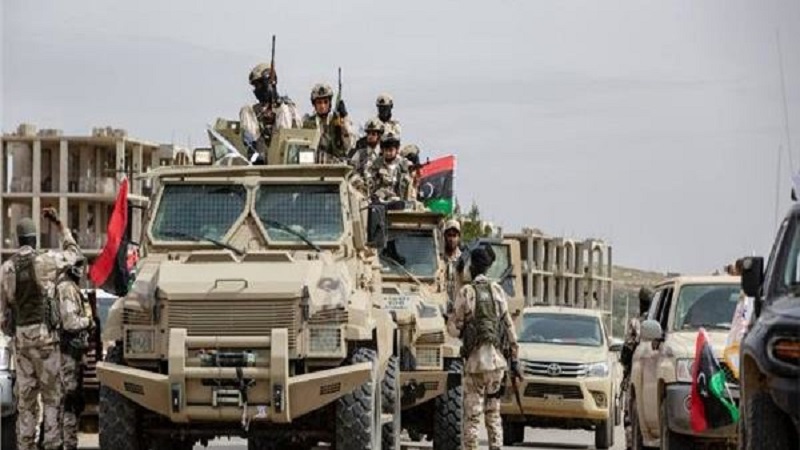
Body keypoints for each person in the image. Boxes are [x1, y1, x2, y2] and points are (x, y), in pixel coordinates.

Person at [0, 209, 83, 450]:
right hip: (46, 343)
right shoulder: (45, 261)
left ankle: (25, 445)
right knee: (52, 399)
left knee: (25, 403)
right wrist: (60, 226)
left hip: (22, 343)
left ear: (19, 240)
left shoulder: (6, 269)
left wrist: (15, 332)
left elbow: (3, 316)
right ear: (34, 239)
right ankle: (52, 444)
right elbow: (74, 254)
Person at [447, 246, 520, 450]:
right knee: (493, 414)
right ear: (487, 268)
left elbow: (453, 329)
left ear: (472, 267)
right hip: (496, 364)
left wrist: (455, 326)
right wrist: (515, 357)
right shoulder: (497, 290)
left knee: (472, 417)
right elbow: (508, 325)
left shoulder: (466, 292)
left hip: (475, 365)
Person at [56, 257, 94, 450]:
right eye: (78, 266)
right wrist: (88, 321)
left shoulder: (71, 288)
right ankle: (67, 443)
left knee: (73, 399)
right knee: (69, 400)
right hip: (67, 353)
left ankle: (66, 441)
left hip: (73, 353)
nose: (82, 271)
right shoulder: (67, 289)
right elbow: (70, 323)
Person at [239, 63, 301, 164]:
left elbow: (298, 128)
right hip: (260, 152)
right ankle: (254, 154)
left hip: (283, 155)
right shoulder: (254, 110)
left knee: (284, 109)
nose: (256, 89)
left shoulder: (287, 106)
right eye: (255, 86)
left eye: (259, 85)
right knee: (245, 109)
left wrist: (276, 112)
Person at [621, 286, 653, 447]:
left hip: (635, 375)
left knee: (630, 417)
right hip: (652, 376)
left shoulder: (636, 324)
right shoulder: (659, 323)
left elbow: (626, 352)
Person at [302, 83, 354, 162]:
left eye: (325, 102)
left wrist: (345, 118)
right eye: (319, 102)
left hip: (336, 166)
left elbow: (350, 145)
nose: (322, 106)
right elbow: (303, 152)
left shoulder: (337, 121)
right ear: (314, 104)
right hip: (313, 165)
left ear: (330, 104)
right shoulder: (308, 124)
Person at [365, 132, 413, 201]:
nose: (388, 153)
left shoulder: (403, 163)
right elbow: (368, 178)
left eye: (391, 150)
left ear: (397, 150)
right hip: (379, 200)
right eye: (386, 150)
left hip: (399, 200)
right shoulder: (376, 163)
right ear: (382, 150)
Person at [441, 219, 463, 311]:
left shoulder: (463, 259)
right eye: (449, 235)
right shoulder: (439, 258)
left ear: (459, 237)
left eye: (454, 236)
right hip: (441, 305)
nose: (452, 239)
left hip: (458, 306)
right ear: (445, 236)